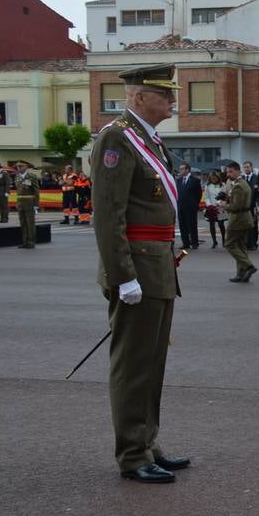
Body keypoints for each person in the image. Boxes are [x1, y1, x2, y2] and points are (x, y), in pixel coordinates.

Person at [88, 64, 191, 484]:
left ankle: (147, 441)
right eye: (164, 93)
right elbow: (108, 215)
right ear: (137, 97)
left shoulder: (150, 140)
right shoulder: (117, 138)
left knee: (152, 362)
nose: (172, 101)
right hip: (137, 269)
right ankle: (132, 454)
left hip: (157, 266)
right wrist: (123, 275)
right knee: (133, 365)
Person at [222, 160, 256, 283]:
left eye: (231, 172)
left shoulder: (239, 186)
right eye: (227, 172)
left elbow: (235, 207)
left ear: (237, 171)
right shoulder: (240, 183)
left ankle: (248, 266)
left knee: (230, 244)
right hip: (244, 219)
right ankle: (242, 274)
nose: (228, 174)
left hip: (238, 220)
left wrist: (223, 205)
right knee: (241, 247)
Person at [12, 160, 40, 248]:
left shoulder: (31, 176)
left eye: (21, 166)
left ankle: (31, 241)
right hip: (20, 202)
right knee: (23, 223)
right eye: (18, 166)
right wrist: (17, 202)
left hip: (29, 202)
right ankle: (25, 241)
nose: (19, 168)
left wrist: (36, 204)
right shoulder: (17, 177)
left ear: (26, 166)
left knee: (30, 223)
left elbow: (36, 191)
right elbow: (18, 191)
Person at [176, 163, 202, 249]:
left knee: (192, 225)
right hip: (181, 206)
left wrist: (195, 204)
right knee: (182, 226)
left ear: (187, 170)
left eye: (182, 169)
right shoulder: (178, 180)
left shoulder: (195, 180)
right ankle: (185, 243)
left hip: (191, 207)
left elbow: (199, 194)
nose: (180, 171)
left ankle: (194, 242)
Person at [204, 170, 226, 247]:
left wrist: (219, 203)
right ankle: (214, 241)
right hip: (211, 208)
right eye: (212, 178)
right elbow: (206, 197)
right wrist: (209, 205)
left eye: (215, 178)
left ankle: (224, 240)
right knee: (212, 225)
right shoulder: (208, 186)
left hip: (220, 207)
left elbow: (224, 196)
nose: (214, 180)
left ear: (218, 178)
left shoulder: (223, 185)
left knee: (221, 224)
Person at [241, 160, 259, 250]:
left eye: (248, 167)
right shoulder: (241, 179)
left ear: (251, 167)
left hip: (253, 205)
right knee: (245, 225)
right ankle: (246, 243)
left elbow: (257, 192)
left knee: (253, 224)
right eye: (245, 167)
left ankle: (253, 243)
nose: (246, 168)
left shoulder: (256, 178)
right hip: (244, 206)